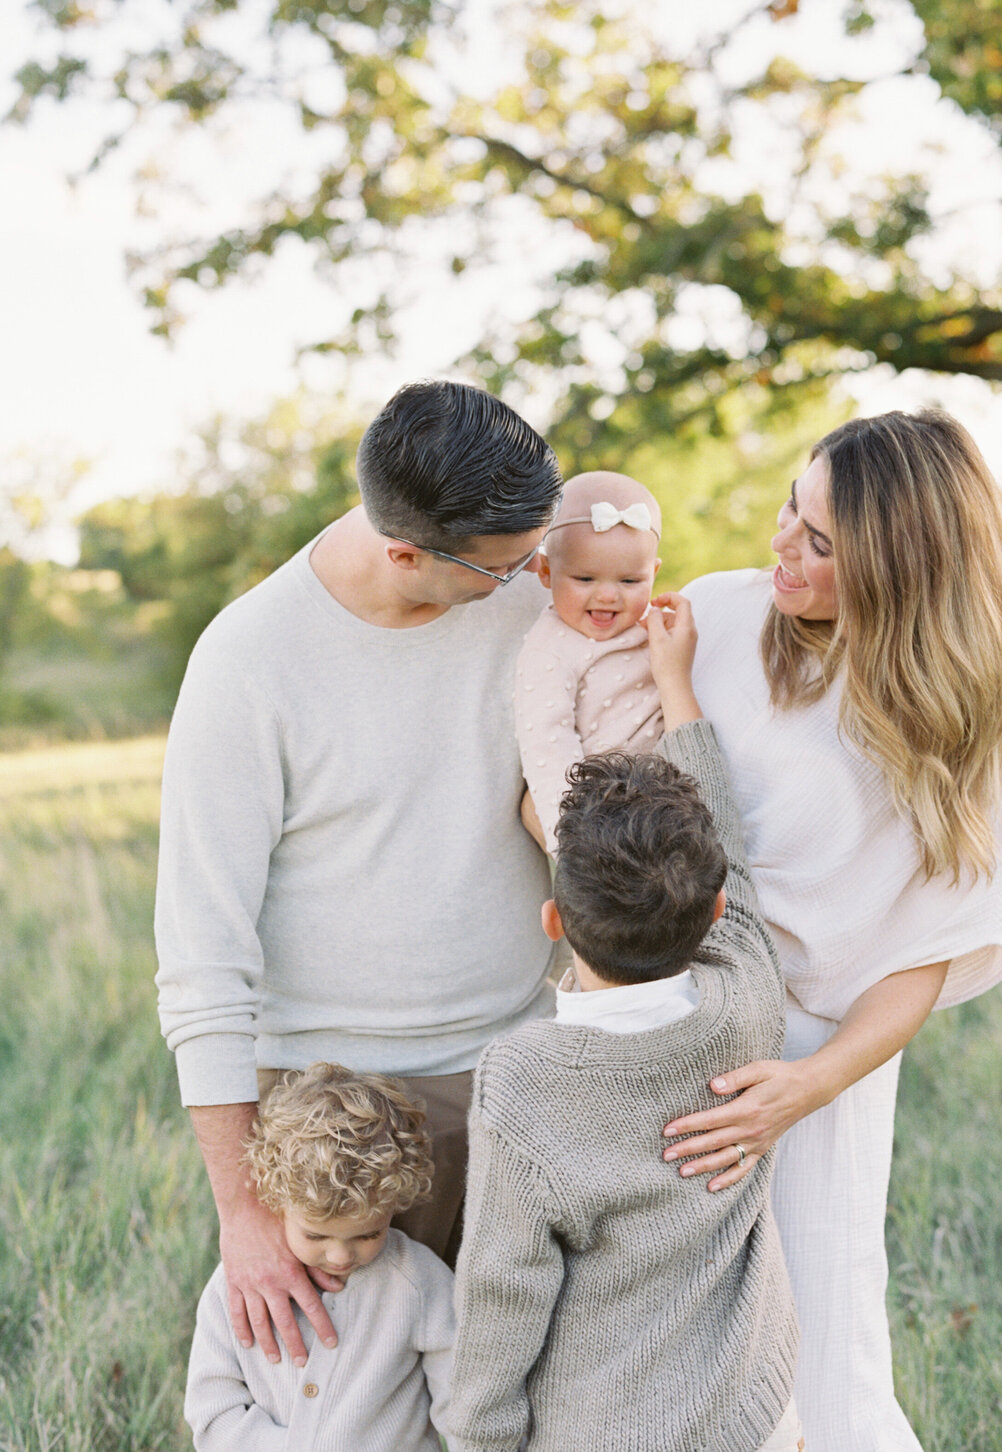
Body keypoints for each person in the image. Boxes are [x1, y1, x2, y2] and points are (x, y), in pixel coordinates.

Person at [155, 381, 562, 1367]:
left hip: (510, 1075)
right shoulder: (249, 661)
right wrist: (245, 1212)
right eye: (506, 567)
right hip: (332, 1112)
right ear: (408, 553)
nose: (535, 577)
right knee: (351, 1407)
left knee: (512, 1397)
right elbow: (201, 949)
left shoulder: (525, 598)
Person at [660, 410, 1002, 1452]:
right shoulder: (711, 618)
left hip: (822, 1062)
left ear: (900, 569)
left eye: (822, 543)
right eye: (793, 504)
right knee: (670, 1356)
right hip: (669, 1031)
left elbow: (927, 949)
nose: (784, 542)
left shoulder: (965, 714)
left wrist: (807, 1085)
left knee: (825, 1357)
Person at [448, 597, 802, 1452]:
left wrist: (477, 1439)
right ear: (715, 908)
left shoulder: (524, 1079)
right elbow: (733, 856)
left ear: (553, 920)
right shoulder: (748, 1000)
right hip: (752, 1417)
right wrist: (674, 683)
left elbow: (502, 1291)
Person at [185, 1063, 458, 1451]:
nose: (340, 1255)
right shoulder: (239, 1285)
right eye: (315, 1235)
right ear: (274, 1202)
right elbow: (212, 1413)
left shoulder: (420, 1282)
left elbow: (464, 1405)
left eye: (368, 1233)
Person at [516, 469, 664, 853]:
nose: (608, 596)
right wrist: (573, 843)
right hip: (597, 820)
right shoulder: (551, 647)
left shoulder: (653, 627)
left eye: (630, 582)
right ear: (546, 571)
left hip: (662, 807)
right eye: (585, 579)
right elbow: (547, 744)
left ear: (654, 574)